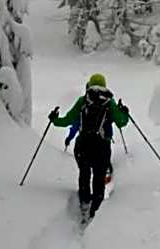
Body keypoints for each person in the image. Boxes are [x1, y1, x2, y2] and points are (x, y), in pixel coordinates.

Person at [49, 74, 129, 219]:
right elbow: (122, 122)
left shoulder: (83, 101)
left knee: (84, 174)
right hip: (102, 148)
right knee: (99, 178)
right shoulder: (110, 103)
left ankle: (85, 203)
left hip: (83, 146)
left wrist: (54, 119)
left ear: (89, 84)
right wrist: (125, 113)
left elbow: (67, 120)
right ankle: (96, 209)